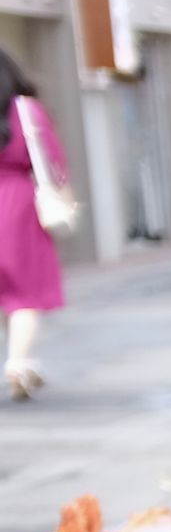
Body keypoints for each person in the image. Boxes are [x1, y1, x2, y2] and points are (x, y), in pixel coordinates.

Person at [0, 44, 68, 402]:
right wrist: (63, 192)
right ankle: (17, 361)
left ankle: (19, 358)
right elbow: (52, 160)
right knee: (22, 292)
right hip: (16, 205)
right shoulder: (26, 112)